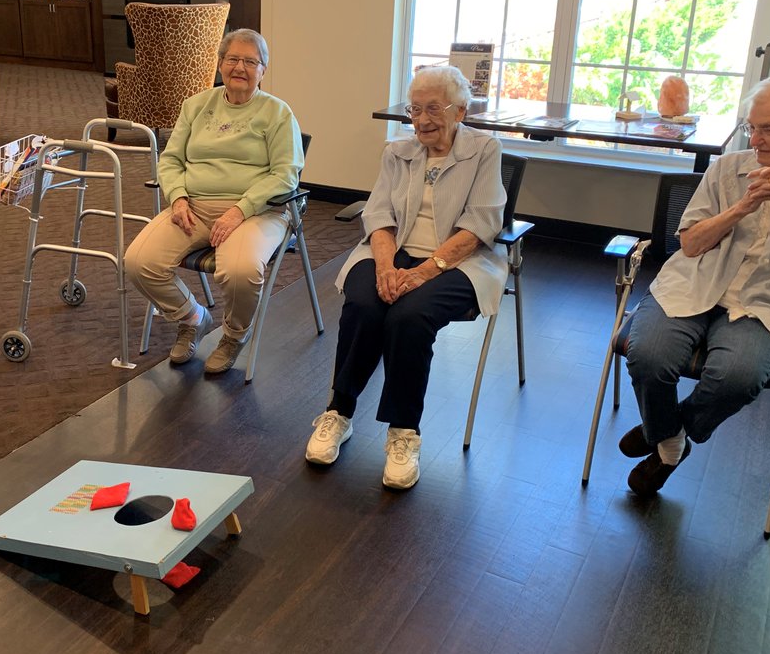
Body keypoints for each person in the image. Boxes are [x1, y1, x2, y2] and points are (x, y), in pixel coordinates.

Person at [620, 72, 770, 496]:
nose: (756, 139)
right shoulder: (728, 168)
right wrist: (742, 208)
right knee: (649, 356)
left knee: (738, 377)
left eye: (769, 129)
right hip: (694, 283)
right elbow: (690, 244)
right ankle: (671, 443)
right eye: (751, 126)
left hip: (767, 301)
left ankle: (668, 432)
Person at [305, 66, 506, 489]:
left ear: (460, 111)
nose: (423, 120)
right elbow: (378, 213)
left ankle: (403, 432)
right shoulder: (398, 152)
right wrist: (385, 267)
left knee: (408, 318)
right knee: (362, 304)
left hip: (458, 261)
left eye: (434, 108)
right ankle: (339, 413)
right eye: (416, 109)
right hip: (391, 253)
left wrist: (422, 273)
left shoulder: (484, 149)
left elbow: (480, 223)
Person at [125, 28, 303, 375]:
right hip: (193, 207)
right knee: (138, 261)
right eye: (233, 58)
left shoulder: (278, 114)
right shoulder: (196, 106)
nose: (240, 67)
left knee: (240, 271)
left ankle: (234, 335)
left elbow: (286, 175)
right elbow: (171, 160)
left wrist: (240, 210)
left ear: (263, 71)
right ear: (220, 64)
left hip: (258, 212)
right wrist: (177, 199)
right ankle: (193, 319)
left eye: (251, 61)